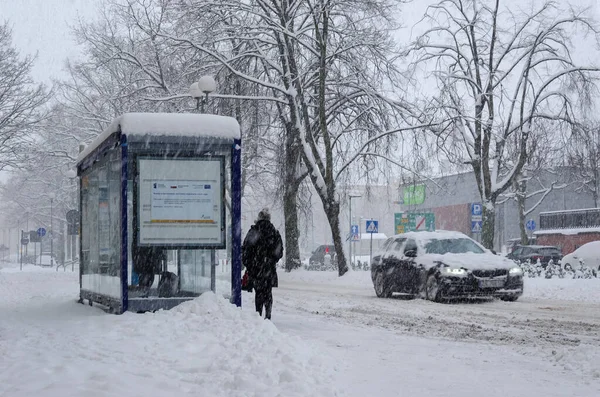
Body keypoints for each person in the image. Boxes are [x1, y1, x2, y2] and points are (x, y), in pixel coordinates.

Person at [242, 208, 283, 320]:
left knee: (258, 292)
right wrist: (271, 260)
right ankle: (268, 315)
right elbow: (279, 252)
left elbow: (246, 250)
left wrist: (249, 264)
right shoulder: (274, 232)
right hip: (269, 268)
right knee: (268, 292)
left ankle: (258, 315)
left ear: (259, 218)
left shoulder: (254, 232)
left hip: (256, 269)